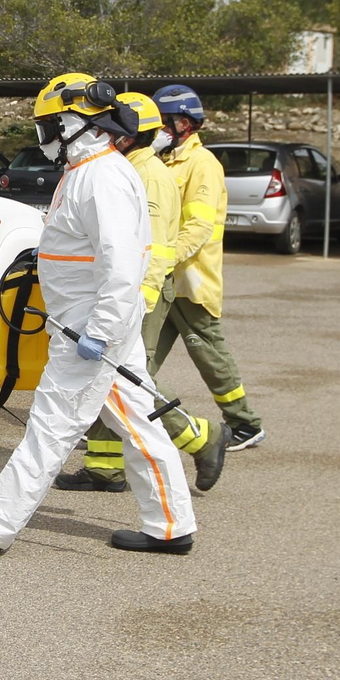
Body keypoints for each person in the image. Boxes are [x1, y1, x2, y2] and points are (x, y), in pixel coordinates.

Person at [0, 73, 197, 555]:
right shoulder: (89, 172)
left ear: (73, 122)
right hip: (86, 323)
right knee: (140, 422)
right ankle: (171, 526)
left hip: (91, 329)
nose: (44, 139)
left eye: (46, 126)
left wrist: (98, 332)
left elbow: (122, 267)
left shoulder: (102, 179)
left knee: (51, 426)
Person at [54, 92, 231, 493]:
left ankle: (201, 438)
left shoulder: (145, 174)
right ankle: (104, 468)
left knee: (128, 379)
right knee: (114, 379)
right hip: (130, 293)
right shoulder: (130, 168)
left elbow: (144, 249)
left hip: (139, 293)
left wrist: (139, 297)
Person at [153, 84, 266, 451]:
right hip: (165, 281)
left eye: (164, 122)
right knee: (140, 359)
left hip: (192, 281)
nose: (159, 129)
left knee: (209, 354)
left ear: (184, 122)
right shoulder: (167, 160)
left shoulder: (203, 165)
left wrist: (166, 257)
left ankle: (244, 424)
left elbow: (198, 227)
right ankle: (117, 419)